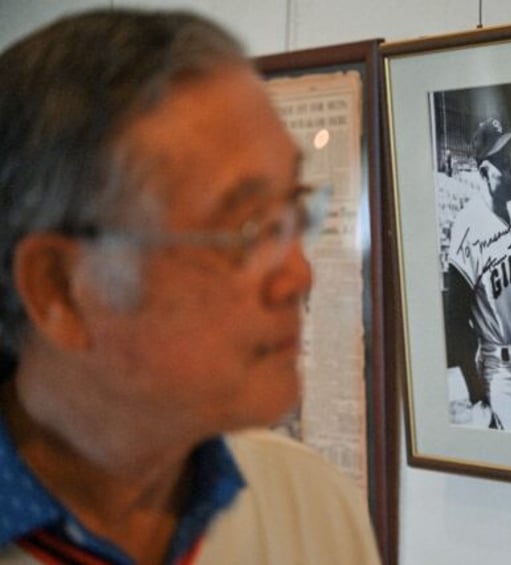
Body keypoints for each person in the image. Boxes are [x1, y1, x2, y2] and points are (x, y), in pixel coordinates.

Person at [0, 9, 380, 564]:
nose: (300, 275)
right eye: (247, 229)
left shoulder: (309, 505)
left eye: (293, 207)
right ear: (60, 288)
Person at [444, 118, 511, 433]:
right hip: (499, 373)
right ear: (485, 172)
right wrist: (477, 397)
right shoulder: (468, 227)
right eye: (505, 164)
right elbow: (456, 321)